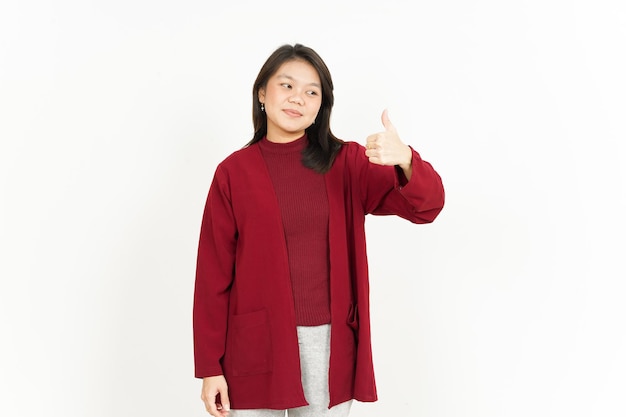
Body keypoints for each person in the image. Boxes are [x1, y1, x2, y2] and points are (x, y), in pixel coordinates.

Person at [193, 43, 445, 417]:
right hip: (255, 341)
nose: (298, 99)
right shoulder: (233, 173)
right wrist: (210, 367)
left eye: (312, 92)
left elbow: (427, 207)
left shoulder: (347, 163)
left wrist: (406, 160)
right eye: (287, 86)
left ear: (321, 105)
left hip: (327, 342)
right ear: (262, 92)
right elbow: (213, 275)